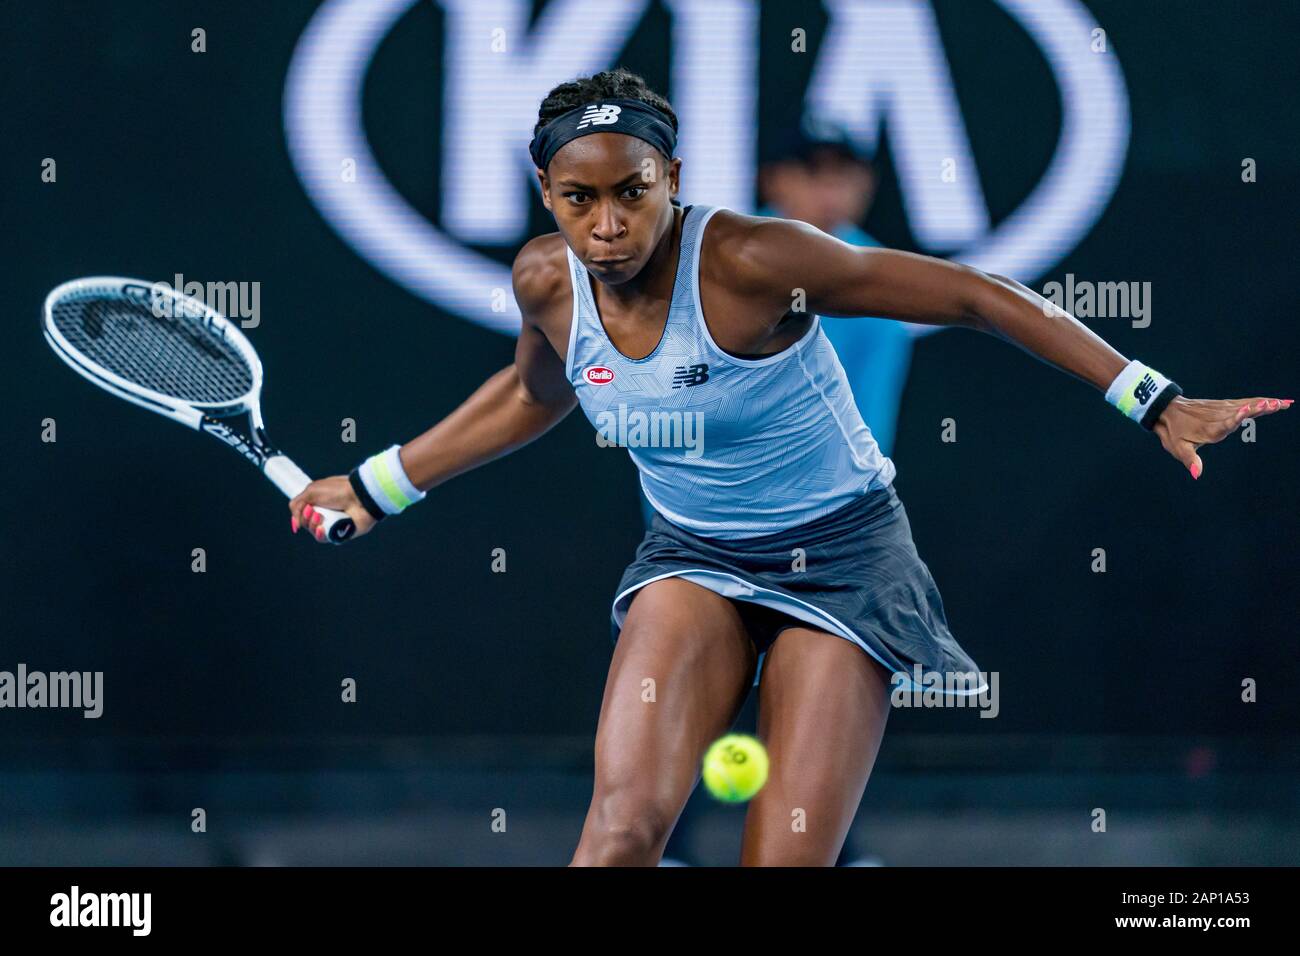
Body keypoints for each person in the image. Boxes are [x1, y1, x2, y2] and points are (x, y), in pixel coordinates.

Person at [288, 68, 1289, 866]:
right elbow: (531, 395)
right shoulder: (545, 279)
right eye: (577, 197)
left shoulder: (755, 259)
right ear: (543, 193)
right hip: (692, 555)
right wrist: (377, 485)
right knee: (619, 835)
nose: (605, 224)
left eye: (630, 193)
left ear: (671, 177)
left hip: (845, 563)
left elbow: (976, 294)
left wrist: (1148, 394)